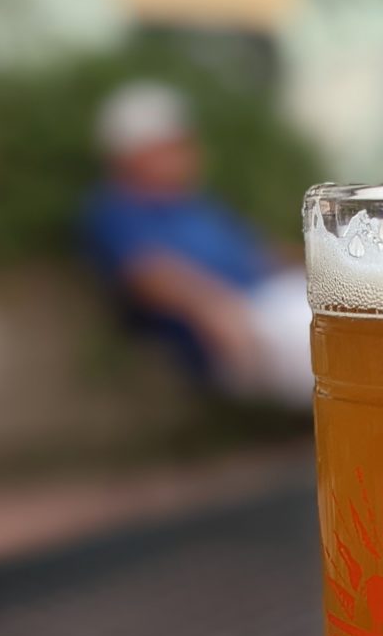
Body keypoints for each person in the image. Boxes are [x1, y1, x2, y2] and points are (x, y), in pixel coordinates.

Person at [83, 81, 313, 408]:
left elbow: (255, 251)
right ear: (132, 155)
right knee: (336, 342)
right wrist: (215, 309)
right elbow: (146, 274)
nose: (189, 153)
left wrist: (324, 262)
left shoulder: (198, 203)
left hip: (268, 302)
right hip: (236, 325)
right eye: (172, 145)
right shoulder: (117, 210)